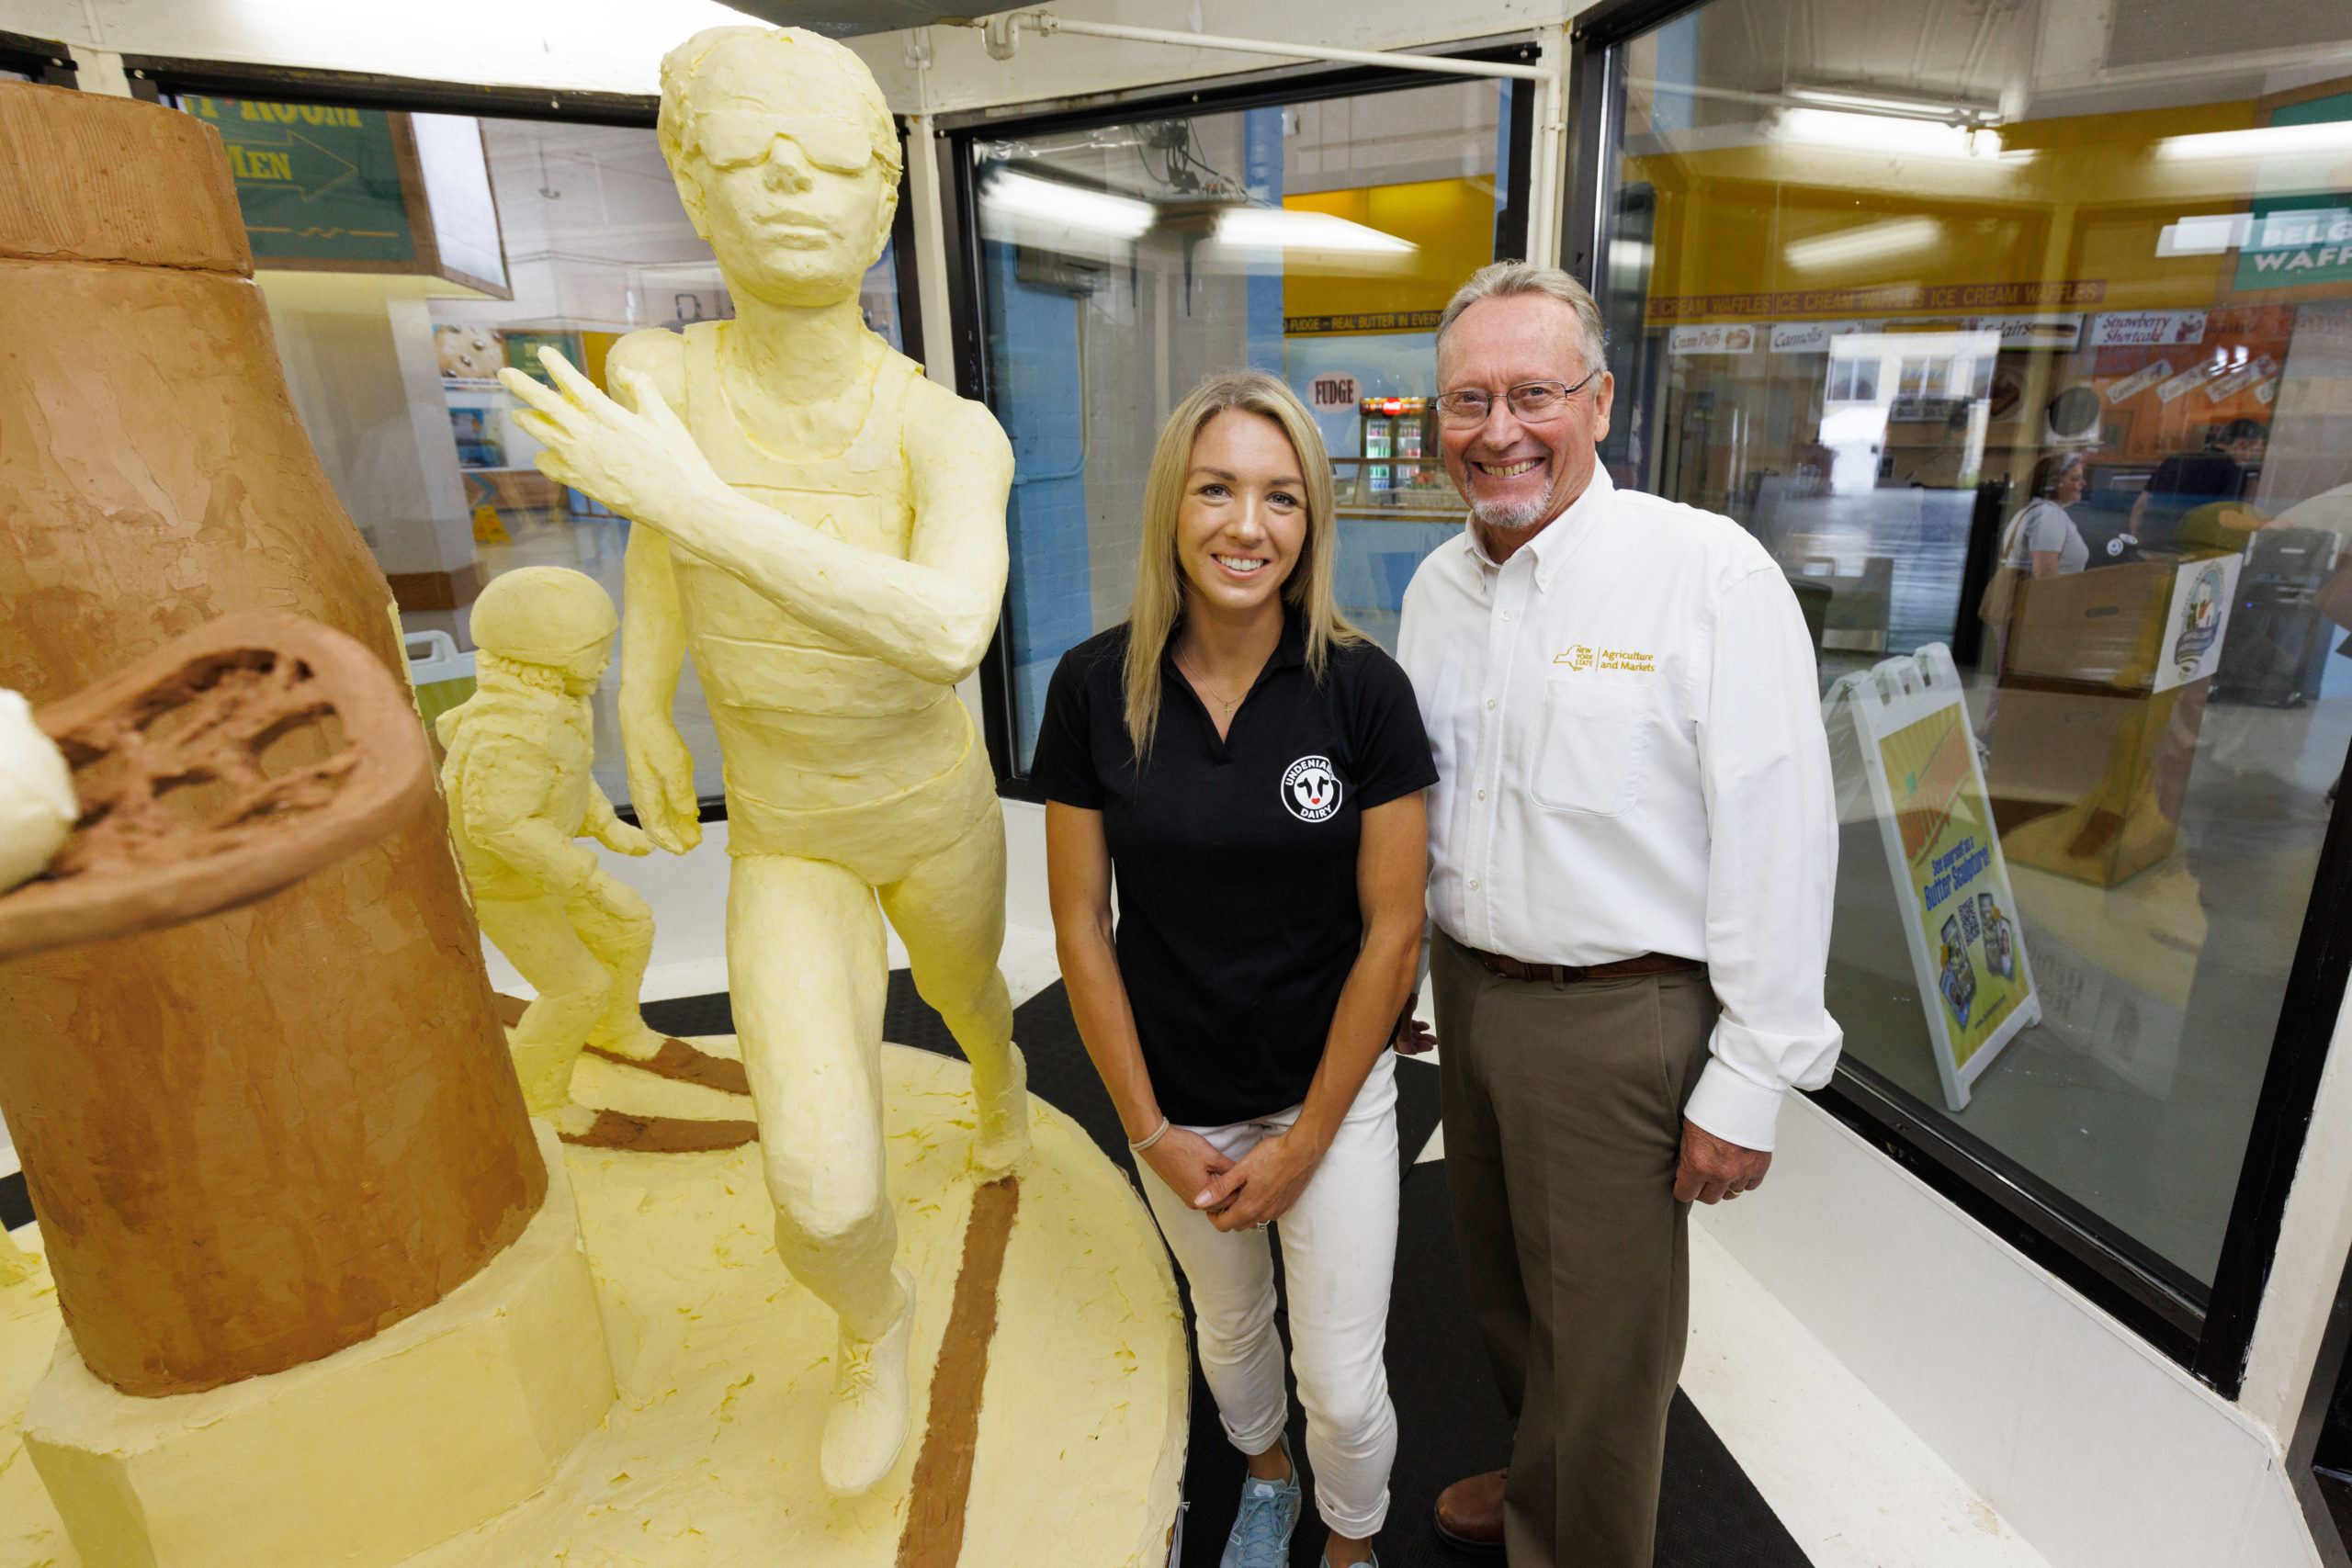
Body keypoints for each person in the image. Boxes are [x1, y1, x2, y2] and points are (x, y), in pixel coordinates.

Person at [496, 25, 1030, 1497]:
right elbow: (658, 538)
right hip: (786, 830)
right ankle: (876, 1320)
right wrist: (647, 700)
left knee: (964, 988)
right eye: (748, 156)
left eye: (831, 161)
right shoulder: (663, 375)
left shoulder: (947, 426)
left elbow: (945, 628)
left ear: (883, 201)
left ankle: (997, 1064)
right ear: (695, 189)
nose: (788, 186)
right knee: (817, 1176)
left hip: (930, 811)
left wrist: (686, 496)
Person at [1395, 262, 1841, 1568]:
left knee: (1609, 1334)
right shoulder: (1435, 589)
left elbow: (1779, 829)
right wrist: (1415, 990)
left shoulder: (1703, 574)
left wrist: (1748, 1076)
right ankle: (1541, 1472)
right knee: (1504, 1290)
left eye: (1534, 391)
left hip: (1625, 1017)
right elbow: (1434, 806)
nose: (1500, 427)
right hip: (1471, 998)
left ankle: (1579, 1535)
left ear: (1598, 403)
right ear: (1438, 423)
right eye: (1468, 399)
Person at [1032, 373, 1433, 1568]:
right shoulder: (1094, 685)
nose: (1246, 525)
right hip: (1180, 1099)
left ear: (1313, 522)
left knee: (1346, 1384)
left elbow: (1393, 931)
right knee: (1230, 1323)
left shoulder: (1364, 690)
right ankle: (1264, 1475)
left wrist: (1307, 1138)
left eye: (1281, 497)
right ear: (1171, 506)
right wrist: (1151, 1127)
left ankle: (1353, 1539)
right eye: (1216, 489)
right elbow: (1077, 925)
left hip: (1333, 1094)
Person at [436, 568, 683, 1140]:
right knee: (576, 987)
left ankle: (614, 1031)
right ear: (545, 655)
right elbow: (501, 826)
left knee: (627, 928)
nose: (604, 662)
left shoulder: (559, 703)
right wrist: (590, 879)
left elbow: (570, 776)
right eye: (593, 651)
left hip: (542, 867)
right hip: (499, 884)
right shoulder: (511, 731)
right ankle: (538, 1100)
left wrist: (605, 825)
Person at [1975, 452, 2089, 740]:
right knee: (2018, 677)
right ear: (2054, 483)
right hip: (2027, 605)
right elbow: (2045, 569)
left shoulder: (2035, 510)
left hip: (2015, 600)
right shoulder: (2049, 516)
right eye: (2074, 478)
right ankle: (1991, 741)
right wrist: (2057, 618)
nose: (2082, 483)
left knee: (2012, 676)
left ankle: (1994, 740)